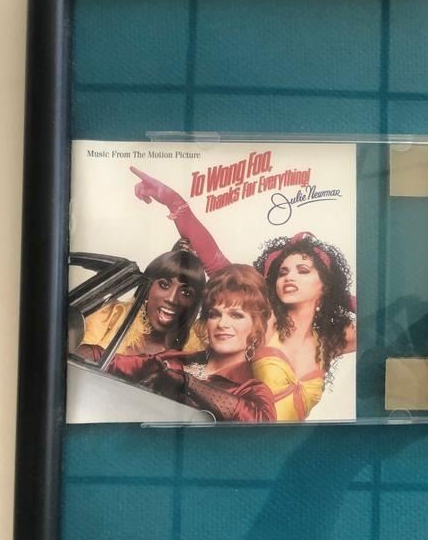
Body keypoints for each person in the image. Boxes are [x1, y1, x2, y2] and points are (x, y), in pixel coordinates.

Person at [131, 167, 356, 421]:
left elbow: (381, 315)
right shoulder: (264, 320)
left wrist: (339, 295)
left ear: (325, 284)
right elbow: (215, 261)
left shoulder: (331, 340)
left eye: (302, 271)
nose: (289, 277)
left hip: (289, 441)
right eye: (282, 272)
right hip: (233, 432)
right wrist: (174, 201)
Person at [79, 265, 277, 423]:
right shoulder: (173, 359)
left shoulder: (252, 390)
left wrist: (187, 383)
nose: (222, 324)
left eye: (236, 315)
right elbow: (107, 360)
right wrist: (68, 350)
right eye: (214, 314)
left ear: (256, 326)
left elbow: (259, 423)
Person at [81, 240, 206, 355]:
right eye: (164, 285)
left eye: (185, 293)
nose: (172, 299)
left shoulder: (195, 349)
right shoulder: (110, 317)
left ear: (194, 303)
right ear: (148, 288)